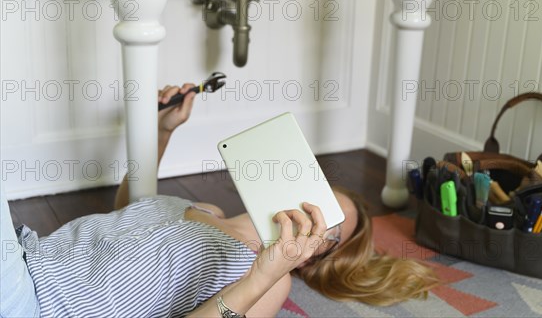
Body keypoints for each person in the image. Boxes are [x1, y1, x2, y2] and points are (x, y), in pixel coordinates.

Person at [1, 83, 438, 318]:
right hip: (26, 253)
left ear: (316, 255)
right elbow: (124, 217)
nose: (310, 205)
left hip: (39, 304)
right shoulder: (206, 210)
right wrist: (163, 131)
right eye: (317, 189)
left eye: (328, 220)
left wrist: (264, 274)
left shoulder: (267, 278)